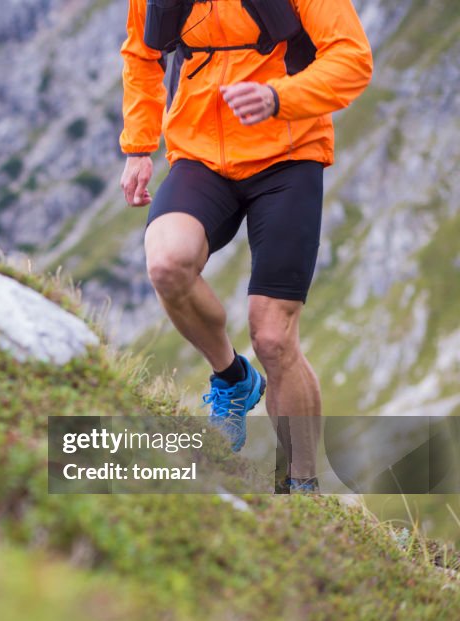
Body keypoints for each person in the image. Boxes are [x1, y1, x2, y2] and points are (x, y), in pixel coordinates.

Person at [119, 0, 372, 492]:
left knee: (274, 338)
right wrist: (138, 146)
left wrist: (281, 97)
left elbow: (352, 58)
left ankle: (301, 490)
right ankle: (233, 378)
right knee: (167, 263)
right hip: (199, 154)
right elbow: (142, 53)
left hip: (288, 155)